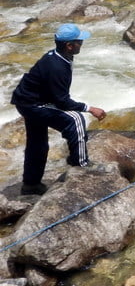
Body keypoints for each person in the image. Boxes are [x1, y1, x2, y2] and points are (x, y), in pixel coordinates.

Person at [11, 23, 106, 195]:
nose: (81, 44)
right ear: (69, 46)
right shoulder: (57, 66)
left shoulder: (58, 56)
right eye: (80, 42)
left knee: (37, 144)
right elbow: (62, 102)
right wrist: (90, 108)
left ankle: (31, 185)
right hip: (34, 104)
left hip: (26, 102)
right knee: (75, 119)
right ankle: (81, 166)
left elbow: (56, 96)